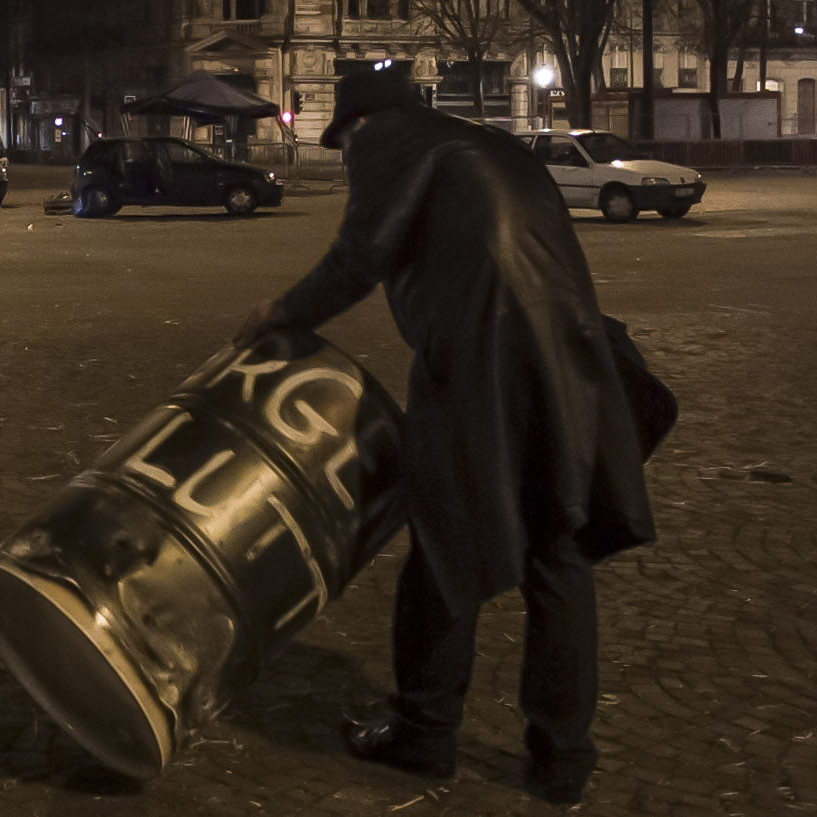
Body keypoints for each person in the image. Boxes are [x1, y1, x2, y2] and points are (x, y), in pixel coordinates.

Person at [232, 67, 675, 806]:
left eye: (344, 139)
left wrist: (278, 313)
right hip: (571, 355)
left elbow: (359, 255)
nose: (346, 154)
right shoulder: (490, 146)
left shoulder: (388, 141)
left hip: (482, 357)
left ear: (360, 125)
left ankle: (424, 731)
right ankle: (562, 757)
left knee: (442, 547)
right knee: (557, 553)